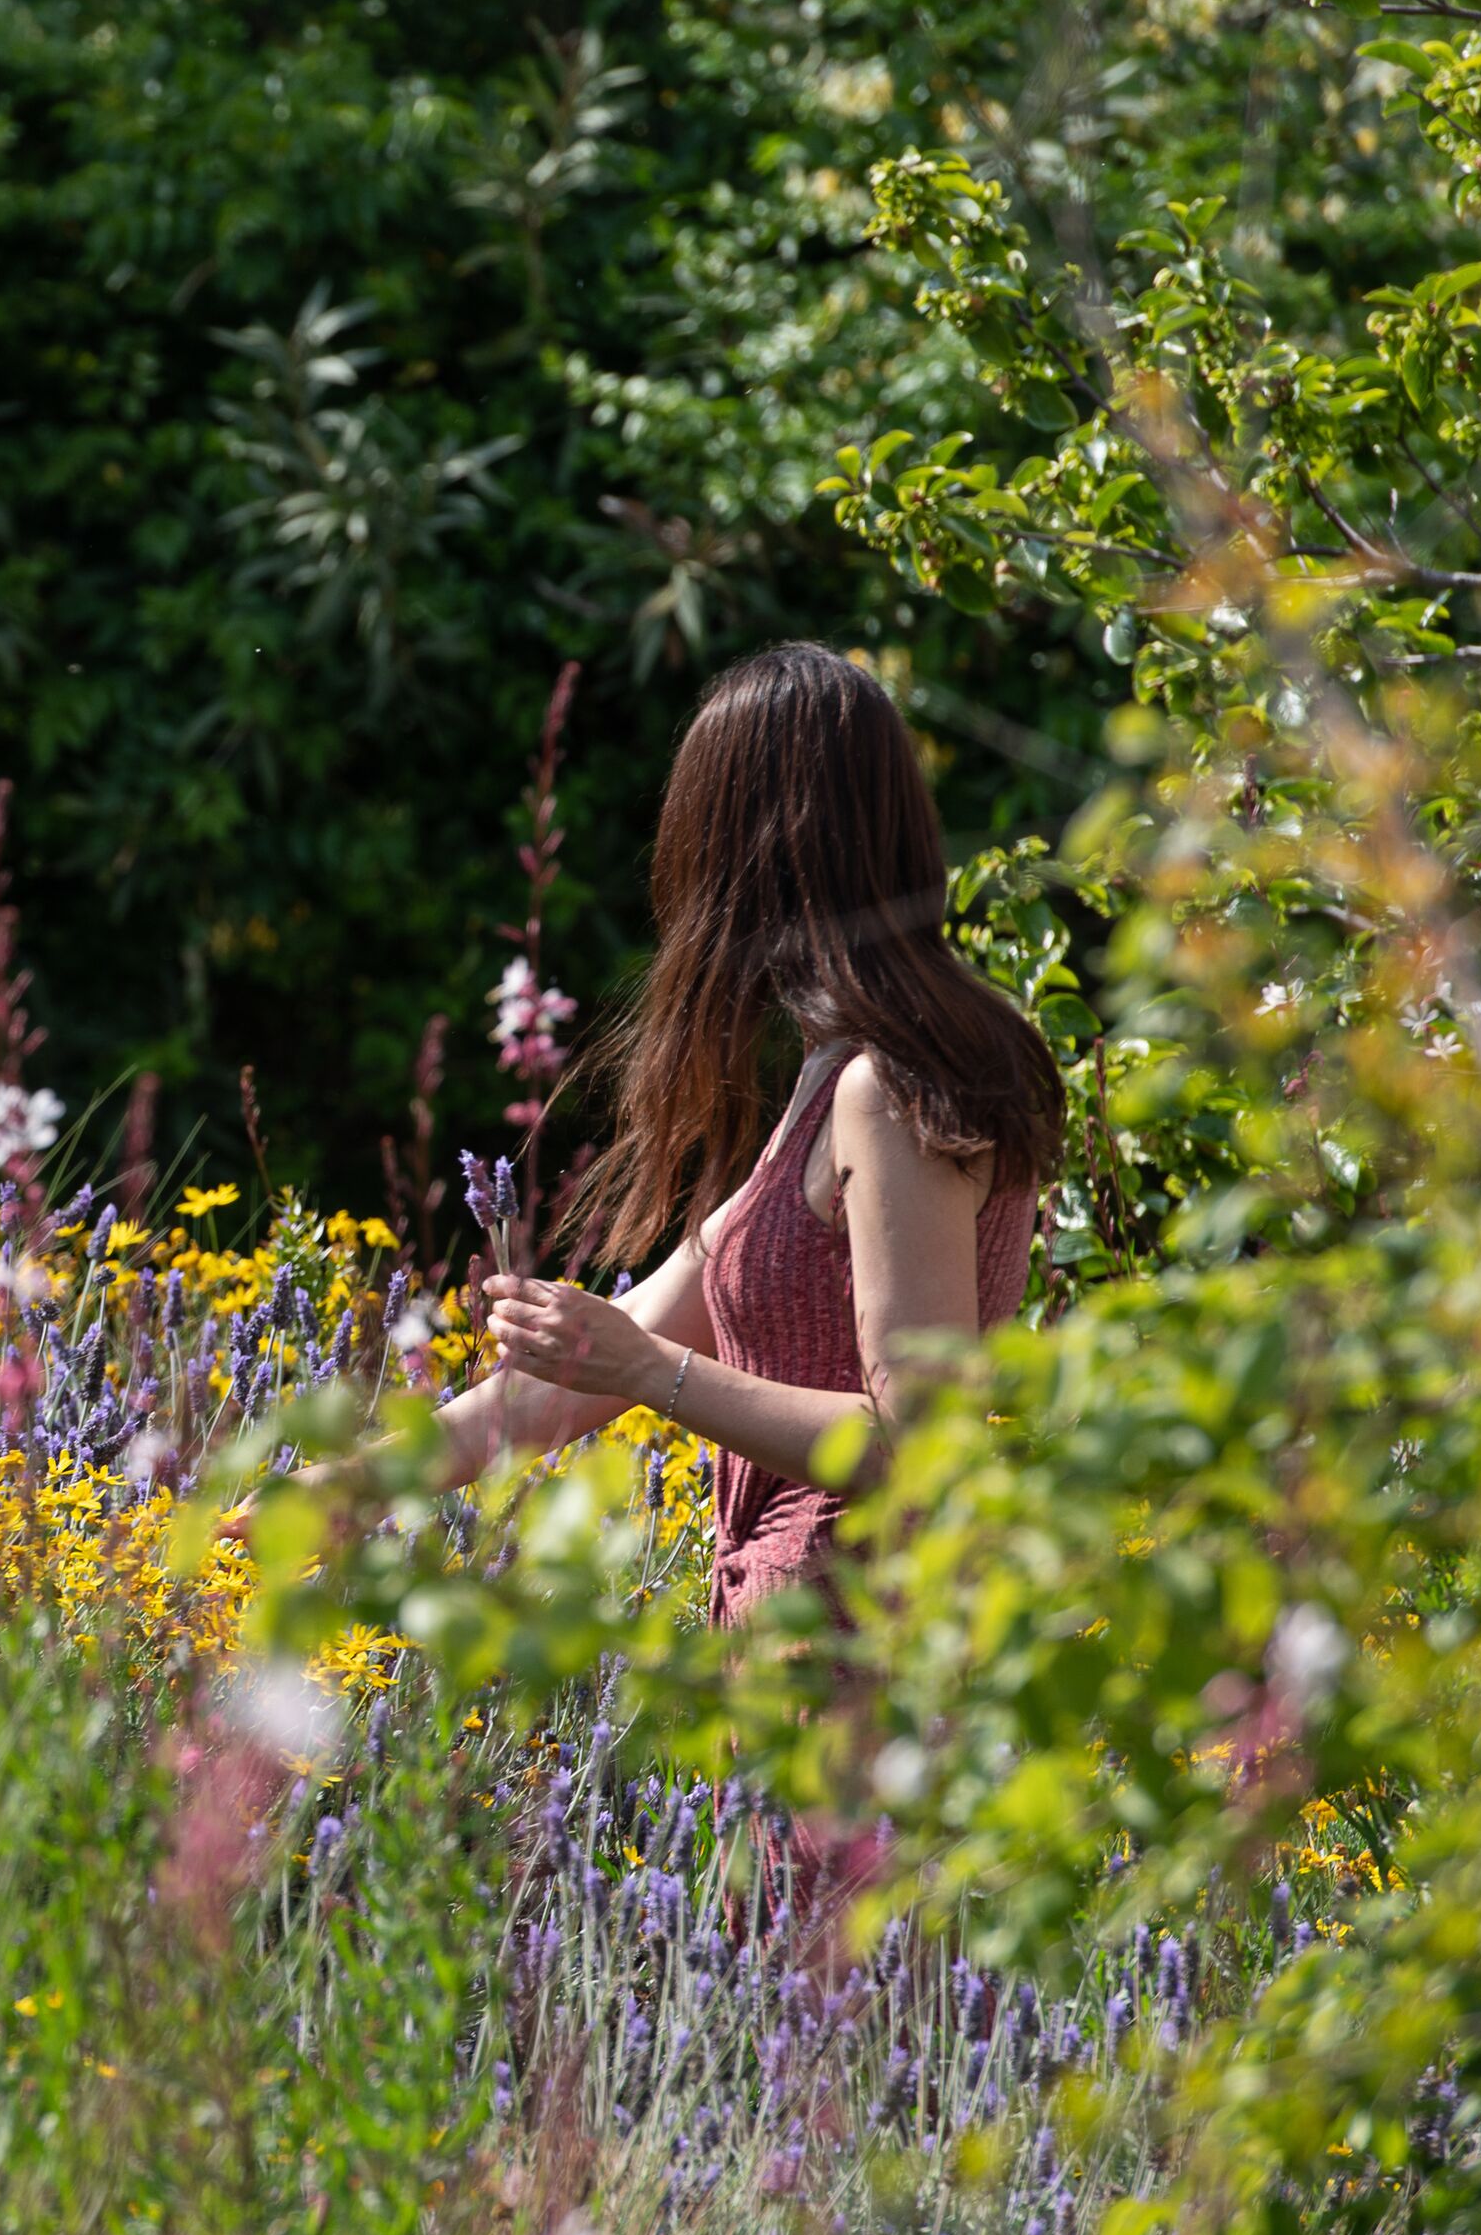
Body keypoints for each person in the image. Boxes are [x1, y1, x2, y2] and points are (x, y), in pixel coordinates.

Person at [435, 641, 1061, 1626]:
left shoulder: (882, 1088)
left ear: (737, 846)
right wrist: (343, 1491)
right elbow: (588, 1368)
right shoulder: (840, 1077)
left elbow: (921, 1434)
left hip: (849, 1650)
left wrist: (650, 1376)